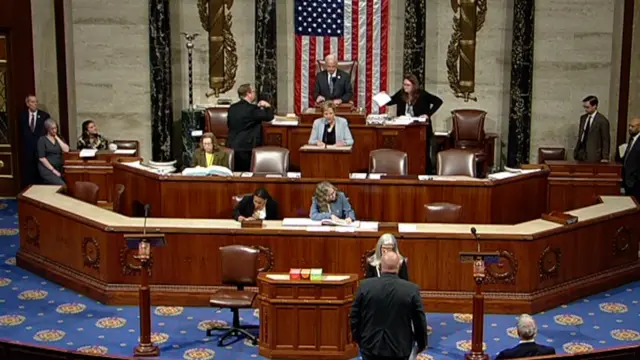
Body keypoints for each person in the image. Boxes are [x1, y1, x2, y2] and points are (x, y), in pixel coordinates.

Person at [350, 251, 428, 360]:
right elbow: (419, 320)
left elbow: (354, 316)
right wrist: (422, 343)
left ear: (380, 265)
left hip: (370, 345)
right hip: (400, 347)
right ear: (399, 266)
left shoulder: (365, 286)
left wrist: (357, 339)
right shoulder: (411, 290)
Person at [385, 74, 443, 174]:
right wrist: (382, 98)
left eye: (408, 85)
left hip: (420, 129)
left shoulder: (422, 94)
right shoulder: (401, 94)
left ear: (414, 86)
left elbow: (438, 101)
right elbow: (390, 101)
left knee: (422, 154)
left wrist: (428, 114)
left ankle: (426, 173)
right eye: (404, 84)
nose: (405, 87)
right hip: (405, 129)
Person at [227, 84, 274, 171]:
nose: (255, 94)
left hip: (232, 145)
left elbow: (229, 125)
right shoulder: (252, 109)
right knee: (247, 174)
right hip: (247, 148)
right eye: (254, 92)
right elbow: (269, 116)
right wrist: (268, 106)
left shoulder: (232, 108)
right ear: (248, 93)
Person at [20, 95, 50, 187]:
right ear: (27, 104)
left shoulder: (44, 116)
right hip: (28, 148)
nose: (35, 104)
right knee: (29, 170)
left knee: (40, 169)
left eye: (36, 102)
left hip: (40, 147)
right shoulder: (22, 115)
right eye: (32, 102)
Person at [573, 95, 610, 162]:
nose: (585, 109)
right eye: (584, 107)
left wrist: (605, 157)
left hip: (593, 155)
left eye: (587, 107)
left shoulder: (602, 120)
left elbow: (605, 140)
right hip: (580, 153)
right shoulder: (583, 118)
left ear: (594, 106)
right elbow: (581, 135)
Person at [38, 119, 70, 185]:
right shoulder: (42, 140)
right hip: (47, 169)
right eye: (52, 129)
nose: (55, 130)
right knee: (61, 184)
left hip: (59, 167)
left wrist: (56, 137)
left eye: (56, 128)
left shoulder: (59, 138)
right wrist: (53, 170)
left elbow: (66, 149)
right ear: (48, 129)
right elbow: (42, 158)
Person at [622, 117, 640, 201]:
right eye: (629, 126)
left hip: (636, 182)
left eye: (632, 126)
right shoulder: (632, 138)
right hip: (627, 179)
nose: (629, 128)